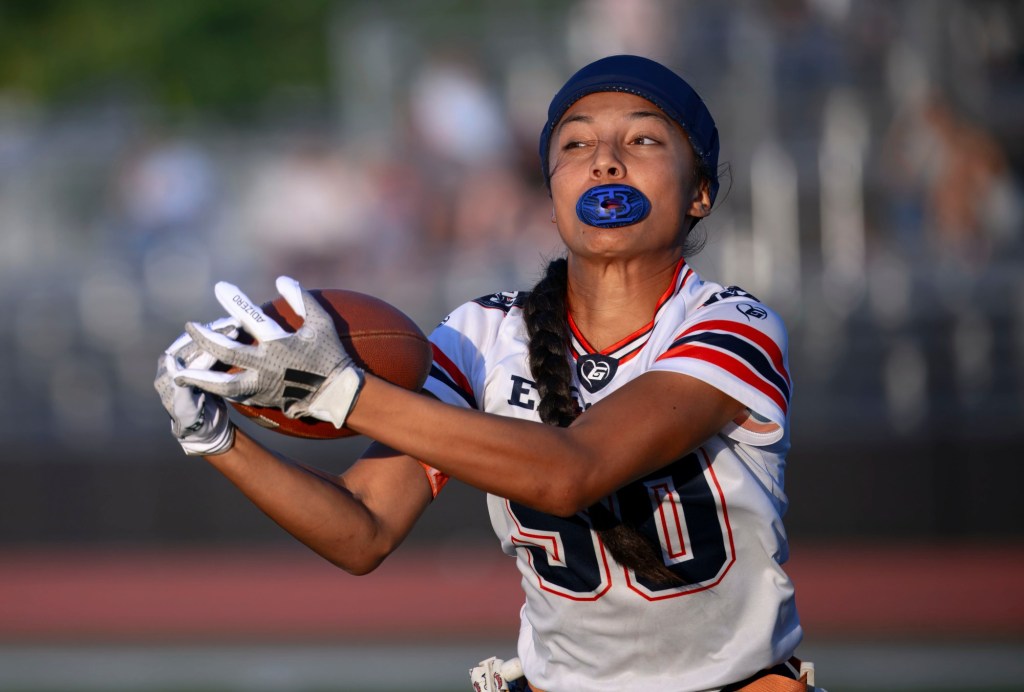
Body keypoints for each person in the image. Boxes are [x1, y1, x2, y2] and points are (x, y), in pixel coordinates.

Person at [155, 55, 820, 692]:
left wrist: (340, 392)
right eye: (576, 146)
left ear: (700, 191)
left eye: (643, 140)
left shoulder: (733, 324)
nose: (606, 160)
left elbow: (569, 472)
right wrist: (218, 441)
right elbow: (363, 527)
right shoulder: (482, 334)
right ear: (552, 187)